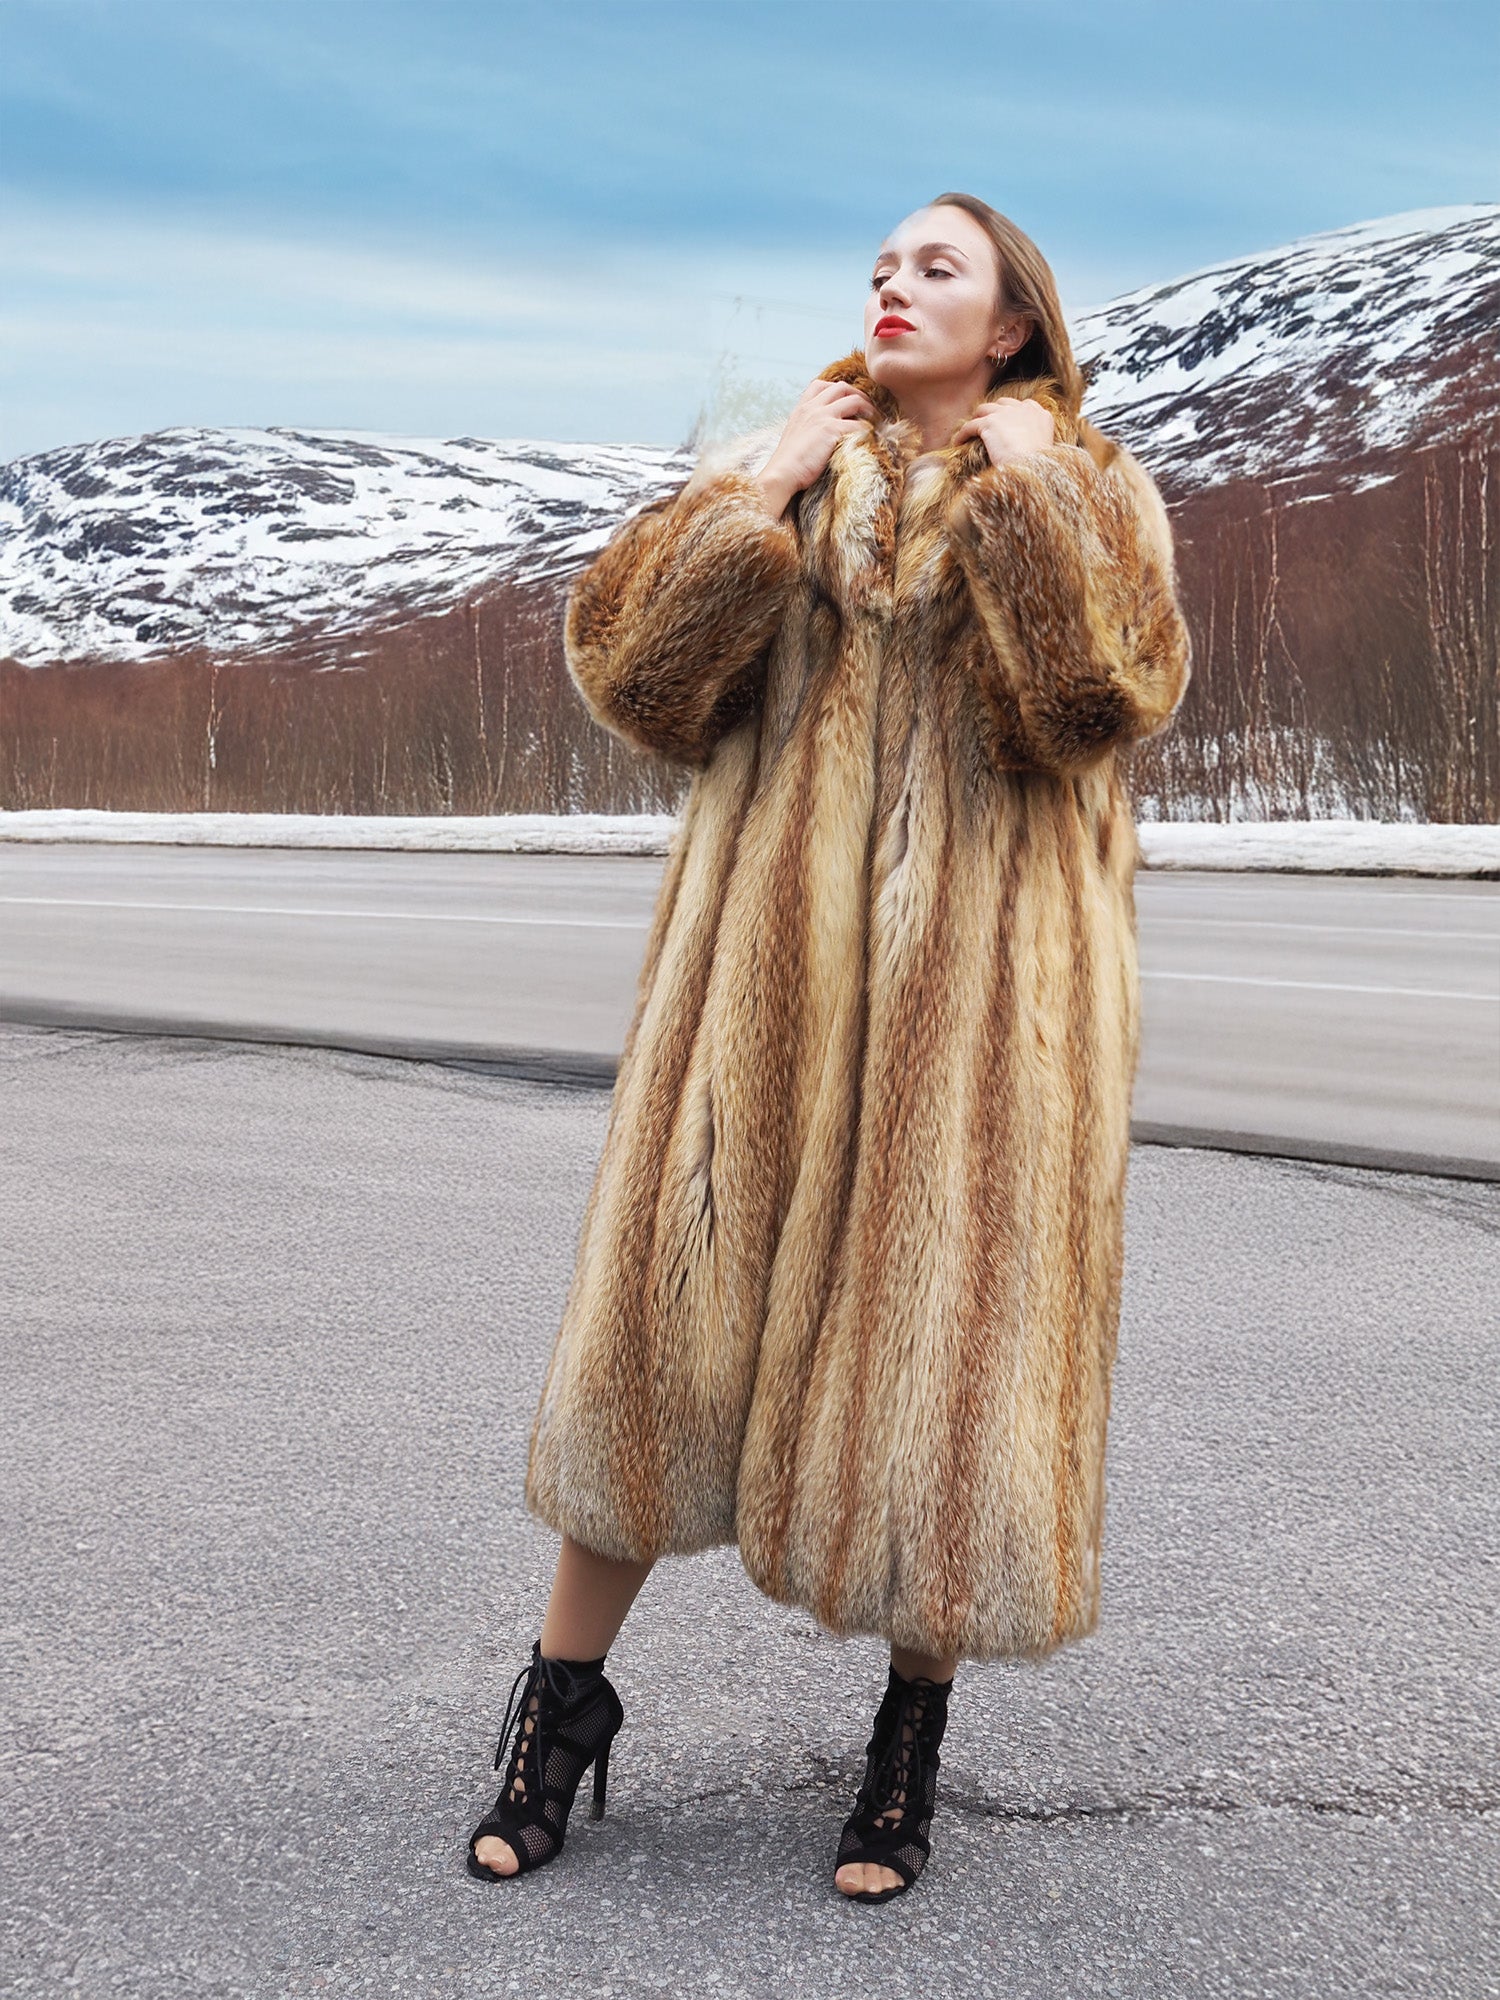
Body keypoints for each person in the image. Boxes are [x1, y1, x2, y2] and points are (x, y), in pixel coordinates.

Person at [466, 191, 1192, 1905]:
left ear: (1012, 323)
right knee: (659, 1335)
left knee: (939, 1368)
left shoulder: (1096, 490)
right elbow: (637, 686)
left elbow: (1094, 706)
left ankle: (905, 1743)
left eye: (934, 268)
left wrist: (1022, 496)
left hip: (978, 1015)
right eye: (878, 266)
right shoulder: (789, 462)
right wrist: (757, 491)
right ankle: (560, 1708)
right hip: (757, 992)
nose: (891, 286)